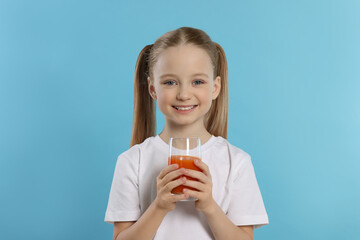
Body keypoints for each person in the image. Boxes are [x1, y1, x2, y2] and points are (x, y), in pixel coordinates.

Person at [105, 26, 269, 240]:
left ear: (215, 88)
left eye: (197, 82)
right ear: (153, 88)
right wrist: (159, 206)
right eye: (170, 82)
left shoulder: (236, 162)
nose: (183, 94)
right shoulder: (132, 161)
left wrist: (210, 206)